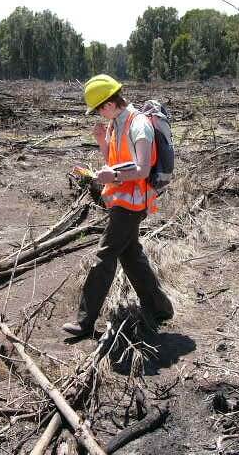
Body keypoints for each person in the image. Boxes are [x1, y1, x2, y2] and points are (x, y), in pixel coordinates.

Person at [62, 74, 174, 337]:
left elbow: (142, 169)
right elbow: (114, 161)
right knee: (131, 255)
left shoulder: (139, 125)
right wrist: (102, 142)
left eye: (99, 110)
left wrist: (112, 176)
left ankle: (85, 321)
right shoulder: (116, 125)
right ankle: (160, 308)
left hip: (133, 203)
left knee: (104, 256)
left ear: (108, 104)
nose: (99, 115)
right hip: (121, 200)